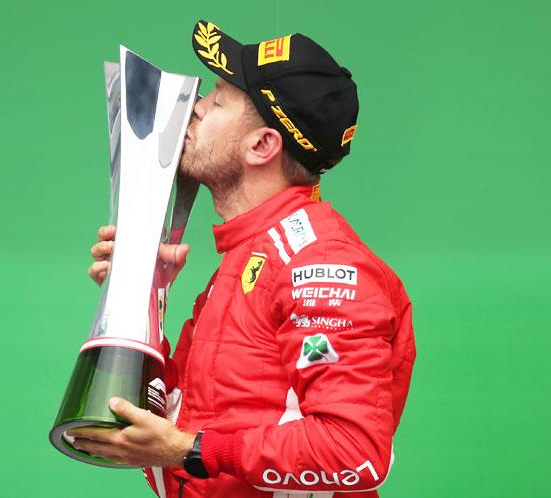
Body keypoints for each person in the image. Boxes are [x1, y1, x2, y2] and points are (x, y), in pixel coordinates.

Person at [68, 20, 416, 498]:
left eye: (218, 98)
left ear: (262, 145)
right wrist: (142, 302)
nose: (195, 107)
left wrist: (189, 450)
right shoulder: (246, 260)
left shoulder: (319, 264)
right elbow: (182, 419)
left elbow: (353, 451)